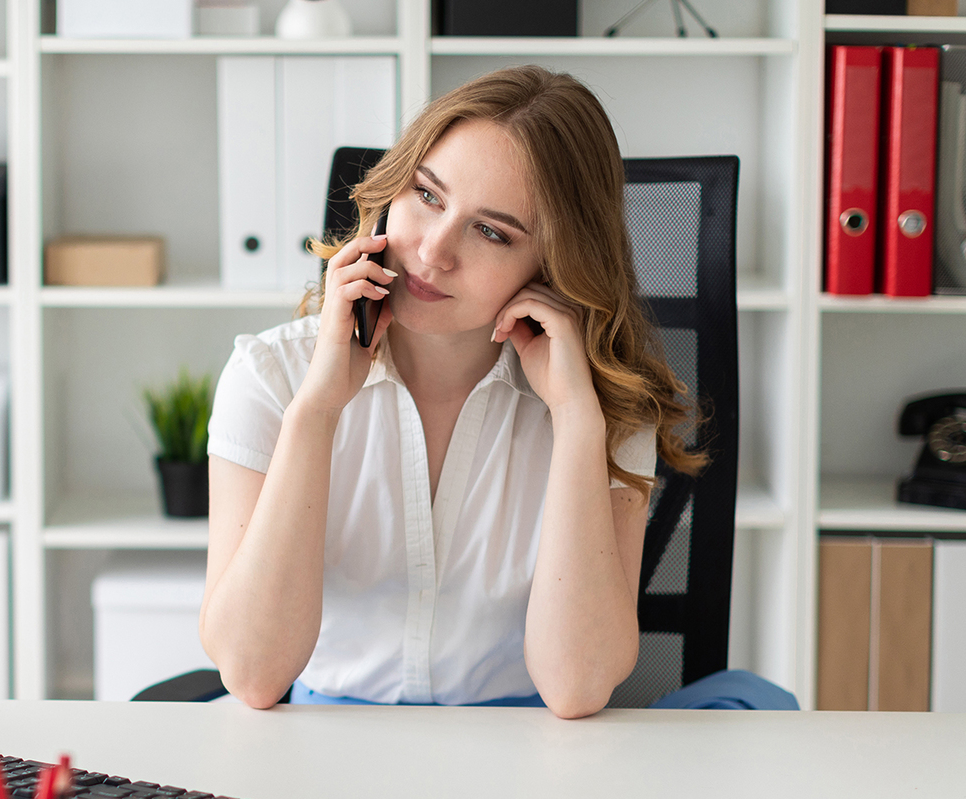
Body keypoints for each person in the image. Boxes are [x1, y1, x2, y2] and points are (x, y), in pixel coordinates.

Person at [199, 66, 796, 717]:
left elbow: (575, 687)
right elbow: (254, 675)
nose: (432, 250)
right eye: (426, 195)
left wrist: (574, 420)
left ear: (553, 263)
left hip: (521, 761)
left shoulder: (600, 403)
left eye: (492, 232)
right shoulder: (271, 375)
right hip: (331, 754)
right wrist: (316, 411)